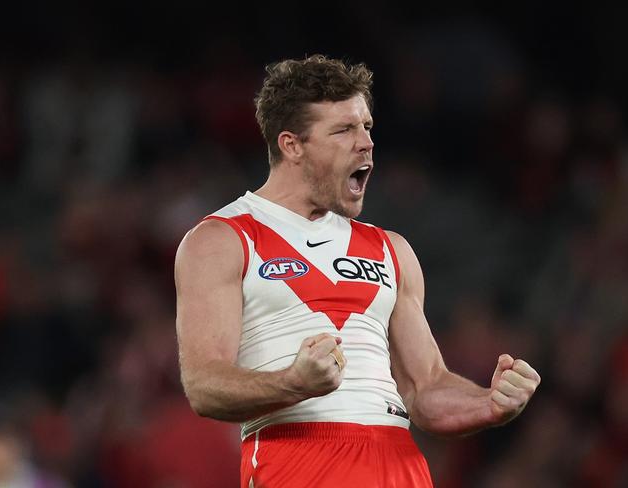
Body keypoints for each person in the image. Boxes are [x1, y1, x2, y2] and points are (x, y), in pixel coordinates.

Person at [174, 54, 541, 487]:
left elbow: (425, 390)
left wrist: (489, 403)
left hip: (398, 462)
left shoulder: (392, 250)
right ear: (292, 145)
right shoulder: (222, 239)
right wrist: (293, 383)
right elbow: (204, 385)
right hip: (296, 457)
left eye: (366, 126)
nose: (365, 143)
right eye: (344, 130)